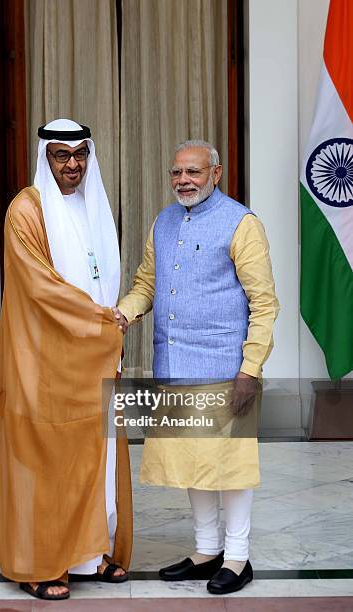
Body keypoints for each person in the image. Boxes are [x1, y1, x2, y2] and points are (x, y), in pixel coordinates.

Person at [114, 140, 279, 595]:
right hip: (175, 364)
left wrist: (251, 368)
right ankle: (207, 551)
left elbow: (264, 302)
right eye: (176, 173)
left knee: (230, 464)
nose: (183, 180)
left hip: (226, 368)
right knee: (195, 462)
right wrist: (124, 313)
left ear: (216, 173)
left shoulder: (241, 223)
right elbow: (147, 282)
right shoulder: (164, 222)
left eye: (193, 172)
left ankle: (239, 558)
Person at [0, 119, 132, 601]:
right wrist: (98, 317)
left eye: (80, 155)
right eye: (61, 155)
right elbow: (39, 286)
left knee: (99, 453)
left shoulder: (95, 204)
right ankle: (42, 562)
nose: (73, 165)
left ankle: (92, 555)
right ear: (45, 158)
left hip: (93, 353)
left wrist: (104, 325)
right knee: (47, 458)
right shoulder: (26, 211)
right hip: (46, 358)